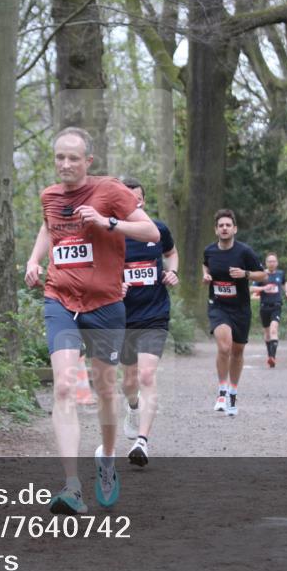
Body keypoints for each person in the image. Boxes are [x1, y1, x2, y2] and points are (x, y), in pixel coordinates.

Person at [24, 127, 160, 515]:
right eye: (59, 158)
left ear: (88, 161)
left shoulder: (111, 191)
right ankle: (71, 486)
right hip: (60, 299)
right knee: (64, 389)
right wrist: (35, 261)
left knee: (104, 391)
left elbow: (149, 231)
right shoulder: (50, 195)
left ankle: (108, 460)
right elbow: (49, 229)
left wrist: (107, 223)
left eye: (72, 158)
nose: (65, 164)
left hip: (105, 304)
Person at [118, 178, 178, 467]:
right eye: (126, 199)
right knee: (129, 382)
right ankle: (132, 407)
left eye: (137, 199)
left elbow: (171, 253)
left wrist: (172, 272)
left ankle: (142, 441)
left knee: (146, 376)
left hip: (154, 313)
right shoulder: (111, 234)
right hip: (122, 316)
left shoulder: (158, 229)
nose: (133, 204)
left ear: (142, 201)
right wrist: (114, 285)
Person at [201, 210, 266, 417]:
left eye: (228, 225)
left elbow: (263, 275)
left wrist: (245, 274)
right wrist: (206, 275)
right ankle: (221, 391)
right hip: (218, 305)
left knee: (237, 352)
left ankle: (232, 393)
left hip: (240, 309)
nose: (224, 228)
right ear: (216, 229)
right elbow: (205, 265)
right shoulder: (209, 251)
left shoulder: (244, 252)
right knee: (224, 345)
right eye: (221, 225)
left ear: (234, 229)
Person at [252, 253, 287, 367]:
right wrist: (263, 288)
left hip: (276, 306)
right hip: (264, 306)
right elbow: (252, 288)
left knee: (273, 329)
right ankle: (270, 356)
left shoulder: (280, 274)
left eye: (274, 261)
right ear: (266, 263)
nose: (272, 263)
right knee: (267, 332)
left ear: (277, 263)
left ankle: (273, 357)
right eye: (269, 261)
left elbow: (284, 282)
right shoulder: (261, 275)